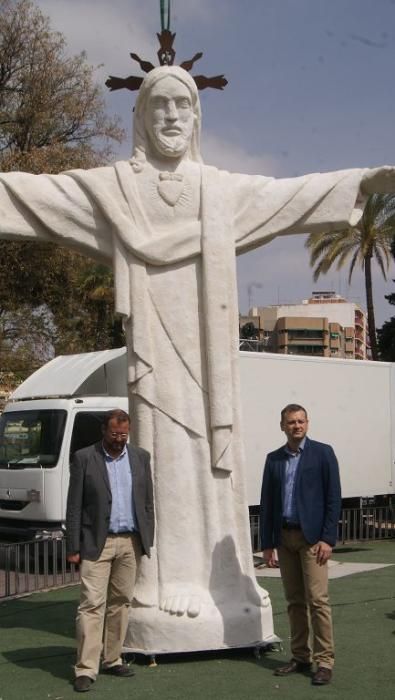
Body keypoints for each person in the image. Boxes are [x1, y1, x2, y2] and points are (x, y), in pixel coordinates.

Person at [0, 64, 394, 652]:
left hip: (209, 359)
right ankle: (164, 581)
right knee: (161, 458)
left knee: (213, 464)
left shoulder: (219, 192)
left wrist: (360, 182)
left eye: (183, 107)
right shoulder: (115, 190)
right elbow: (37, 194)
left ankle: (221, 580)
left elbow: (289, 195)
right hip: (154, 359)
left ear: (198, 117)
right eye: (159, 106)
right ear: (140, 117)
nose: (172, 118)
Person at [66, 409, 154, 692]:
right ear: (104, 431)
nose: (119, 440)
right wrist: (73, 547)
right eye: (115, 434)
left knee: (121, 602)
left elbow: (147, 501)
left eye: (124, 435)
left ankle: (113, 658)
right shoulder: (84, 458)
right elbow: (74, 506)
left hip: (130, 541)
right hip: (96, 543)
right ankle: (85, 669)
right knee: (91, 604)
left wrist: (146, 537)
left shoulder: (140, 457)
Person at [260, 404, 341, 686]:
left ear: (307, 423)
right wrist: (267, 544)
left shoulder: (323, 453)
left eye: (301, 421)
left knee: (318, 601)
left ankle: (324, 661)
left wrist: (327, 539)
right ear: (282, 426)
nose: (296, 426)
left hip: (313, 541)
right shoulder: (273, 460)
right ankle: (300, 656)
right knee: (294, 602)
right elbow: (267, 503)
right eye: (291, 422)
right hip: (284, 538)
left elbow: (334, 499)